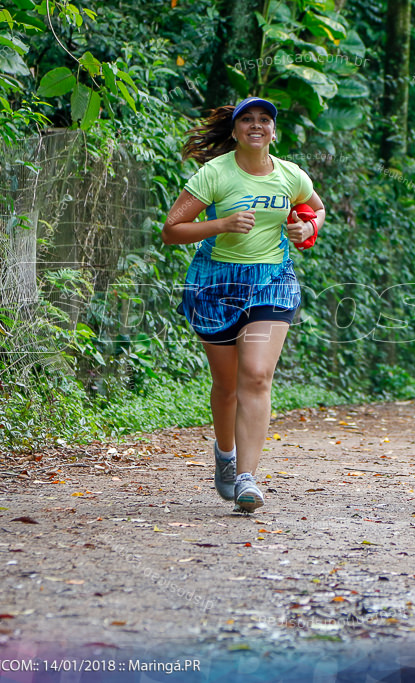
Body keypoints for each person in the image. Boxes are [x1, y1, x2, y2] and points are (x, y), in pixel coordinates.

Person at [162, 97, 326, 513]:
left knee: (256, 375)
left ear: (274, 132)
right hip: (215, 284)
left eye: (265, 120)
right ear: (235, 132)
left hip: (272, 282)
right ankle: (225, 454)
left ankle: (247, 479)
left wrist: (306, 225)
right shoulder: (214, 174)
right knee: (227, 384)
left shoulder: (291, 176)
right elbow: (172, 229)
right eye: (247, 120)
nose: (257, 125)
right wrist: (221, 224)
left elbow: (318, 210)